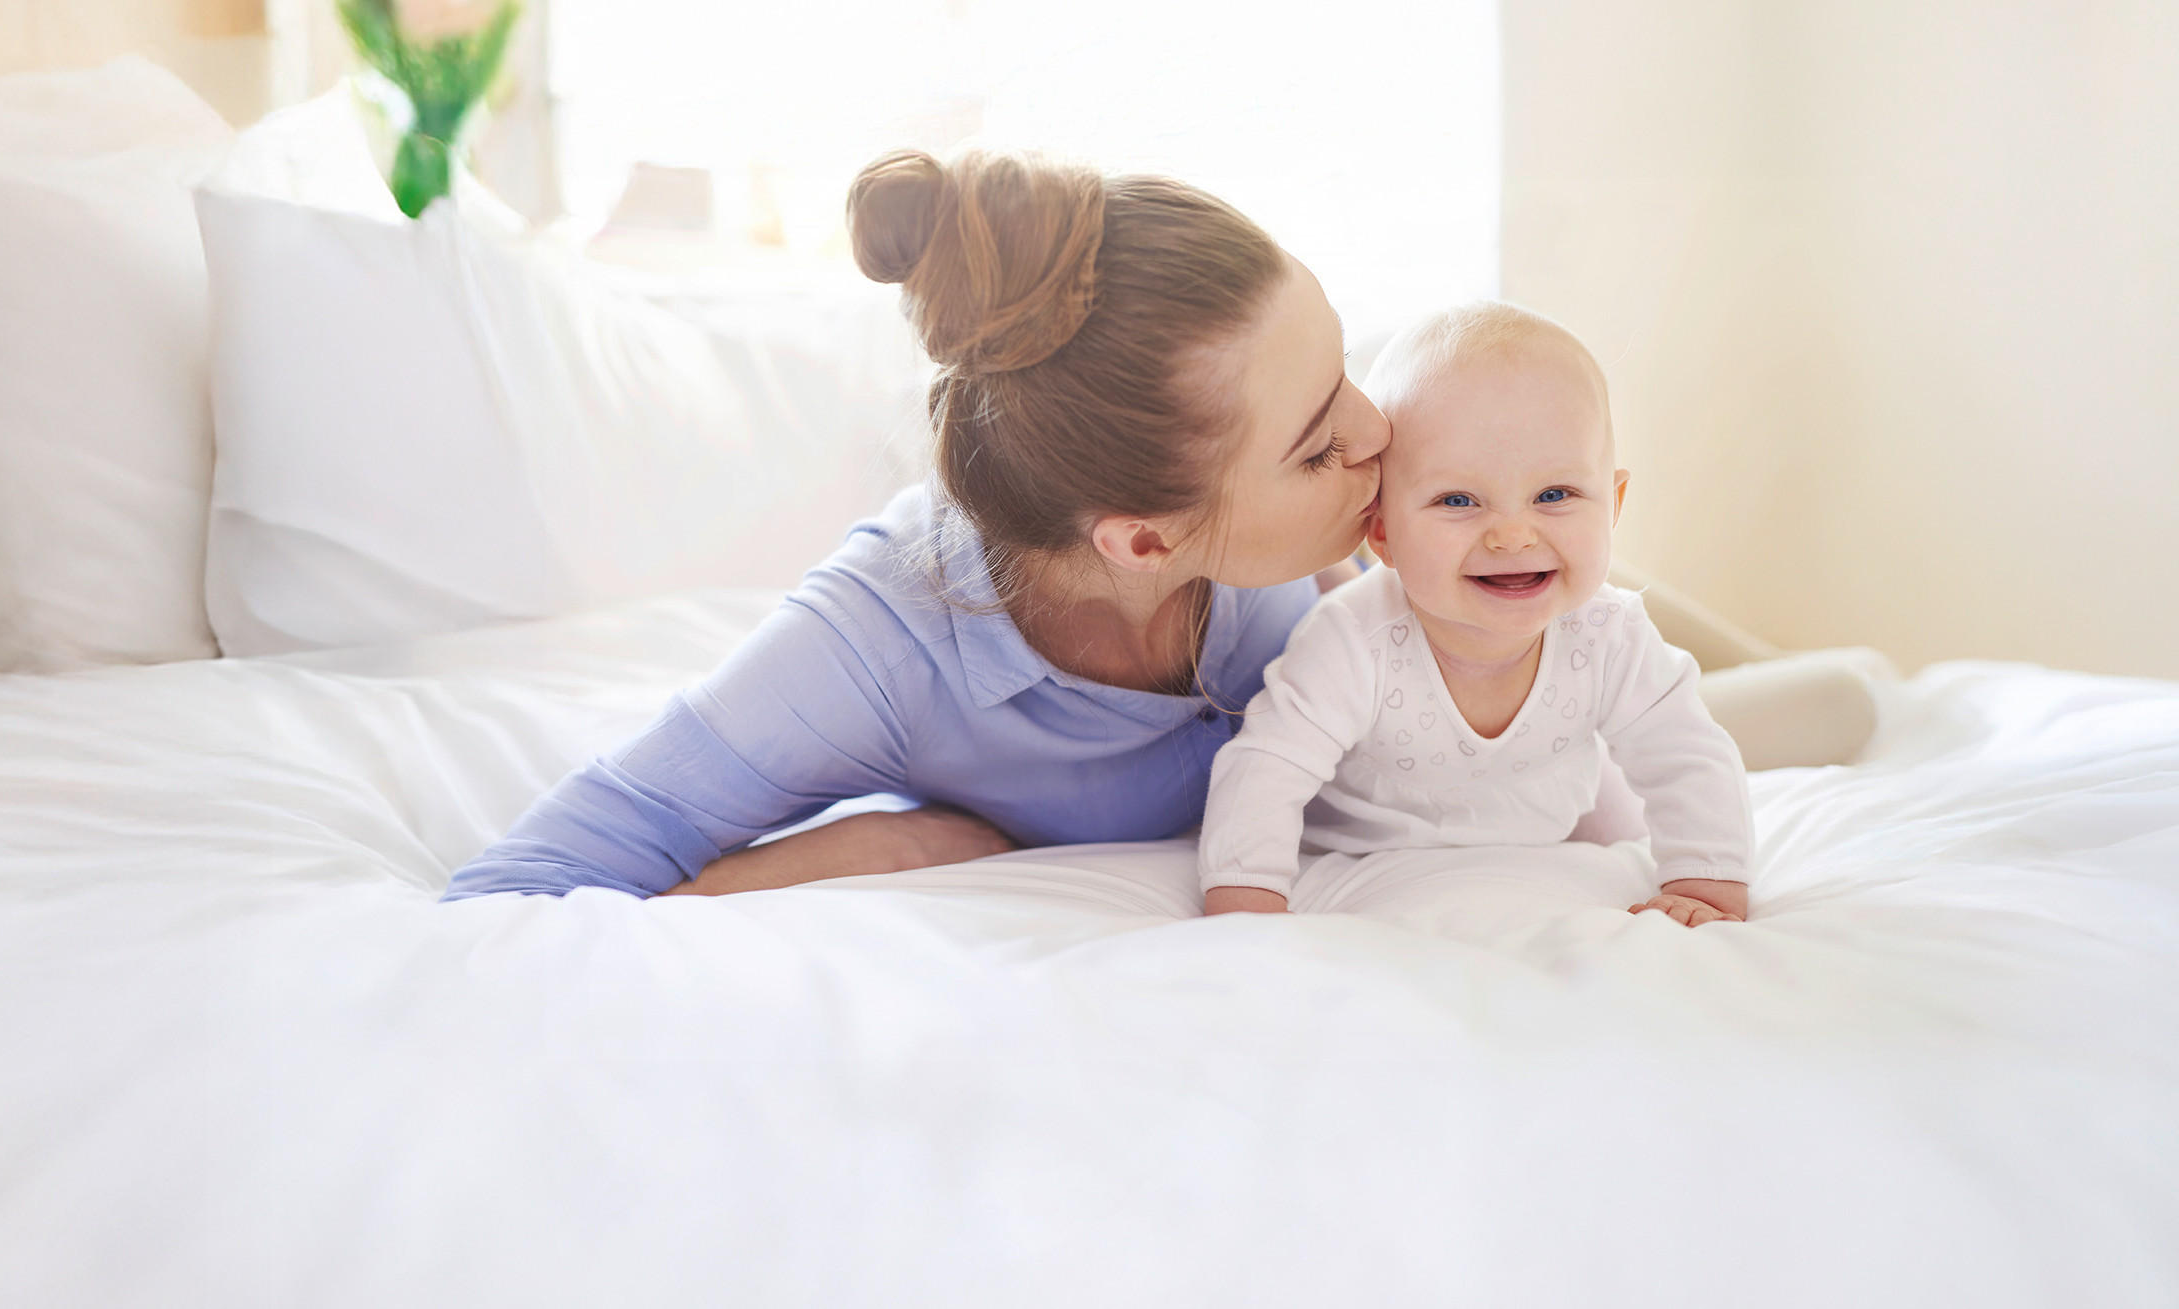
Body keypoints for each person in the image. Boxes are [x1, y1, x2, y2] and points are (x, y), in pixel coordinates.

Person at [444, 149, 1867, 901]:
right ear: (1143, 540)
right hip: (1439, 717)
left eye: (1346, 370)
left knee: (1822, 698)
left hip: (1511, 670)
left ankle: (1842, 684)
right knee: (1813, 701)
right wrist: (876, 850)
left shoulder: (1311, 534)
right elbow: (532, 877)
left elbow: (1526, 577)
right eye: (1316, 441)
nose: (1375, 433)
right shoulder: (874, 651)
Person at [1198, 302, 1753, 924]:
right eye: (1458, 500)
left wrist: (1706, 884)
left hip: (1552, 820)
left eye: (1555, 494)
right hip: (1370, 855)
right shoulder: (1354, 639)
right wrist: (1247, 903)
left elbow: (1686, 755)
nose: (1512, 535)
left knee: (1622, 802)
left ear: (1613, 504)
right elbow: (1269, 765)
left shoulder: (1609, 634)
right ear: (1381, 531)